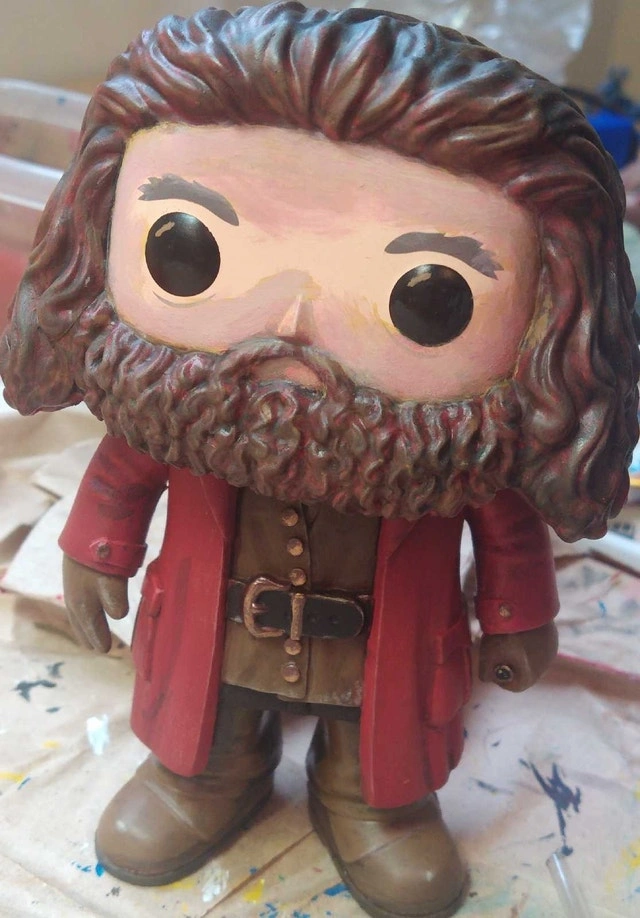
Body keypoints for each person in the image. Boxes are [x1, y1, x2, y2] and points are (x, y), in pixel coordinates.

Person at [1, 5, 637, 917]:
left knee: (383, 743)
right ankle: (206, 775)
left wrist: (515, 615)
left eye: (431, 296)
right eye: (187, 249)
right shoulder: (182, 412)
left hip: (391, 650)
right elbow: (123, 471)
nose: (293, 322)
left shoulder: (455, 448)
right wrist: (96, 550)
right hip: (209, 630)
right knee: (204, 720)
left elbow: (508, 523)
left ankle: (372, 803)